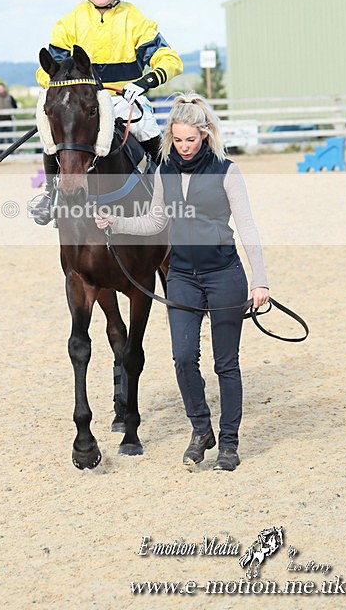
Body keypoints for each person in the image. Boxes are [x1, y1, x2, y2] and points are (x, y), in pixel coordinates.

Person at [95, 93, 269, 471]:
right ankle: (201, 429)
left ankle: (228, 442)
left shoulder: (227, 171)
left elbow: (248, 228)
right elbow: (156, 223)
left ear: (205, 134)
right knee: (184, 358)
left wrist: (261, 282)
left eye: (191, 139)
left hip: (224, 276)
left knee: (226, 365)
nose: (184, 147)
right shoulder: (163, 172)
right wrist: (118, 223)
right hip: (182, 279)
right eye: (177, 140)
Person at [32, 0, 183, 225]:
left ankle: (169, 193)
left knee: (145, 125)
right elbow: (46, 71)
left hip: (124, 98)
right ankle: (50, 192)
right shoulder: (69, 22)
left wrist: (145, 81)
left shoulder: (134, 19)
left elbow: (169, 58)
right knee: (48, 124)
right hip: (83, 100)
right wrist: (66, 87)